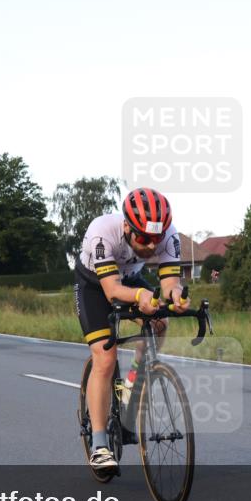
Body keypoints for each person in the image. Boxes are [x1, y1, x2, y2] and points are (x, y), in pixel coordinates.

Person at [74, 188, 188, 473]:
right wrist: (140, 296)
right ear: (127, 226)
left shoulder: (168, 234)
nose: (150, 246)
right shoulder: (102, 232)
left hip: (130, 278)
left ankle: (131, 387)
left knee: (160, 322)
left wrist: (175, 295)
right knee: (105, 357)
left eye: (156, 240)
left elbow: (169, 283)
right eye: (144, 239)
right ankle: (100, 445)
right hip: (94, 285)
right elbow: (112, 290)